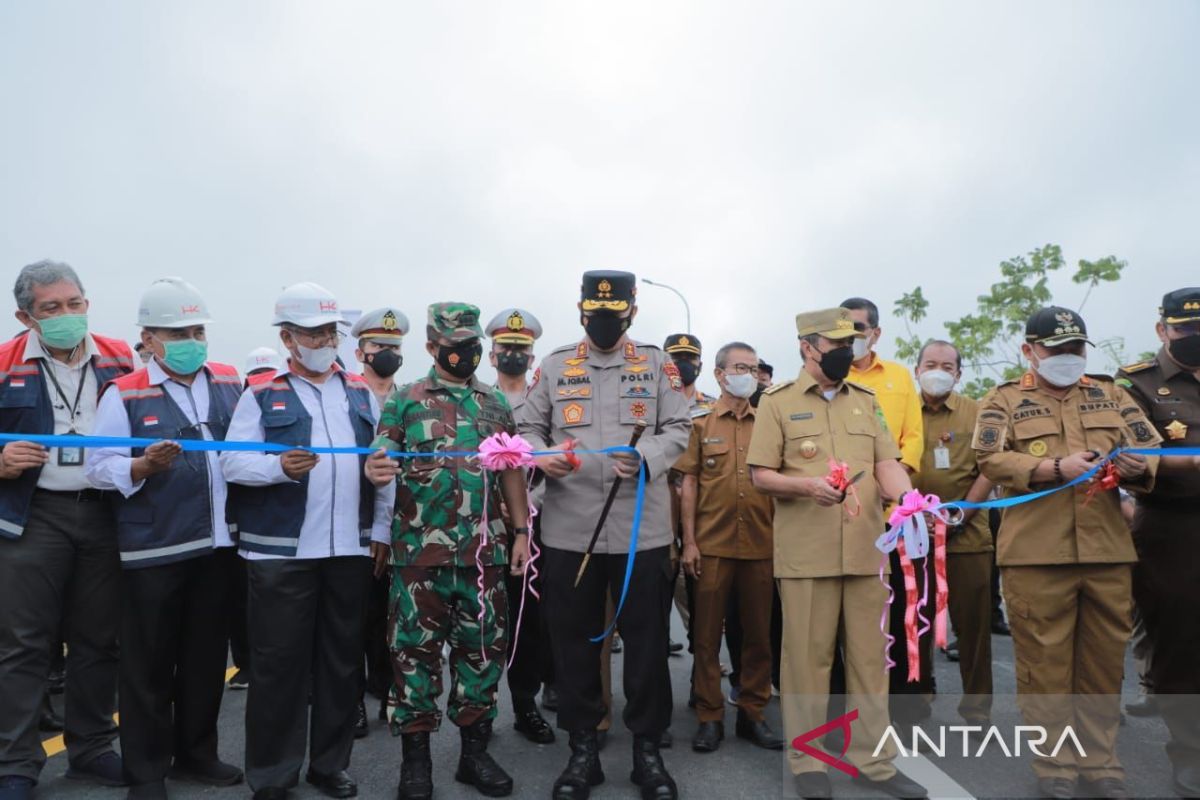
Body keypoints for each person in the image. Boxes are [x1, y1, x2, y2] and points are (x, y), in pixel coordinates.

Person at [973, 306, 1160, 800]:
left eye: (1076, 348)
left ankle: (1101, 764)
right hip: (1037, 555)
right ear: (1030, 350)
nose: (1067, 358)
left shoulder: (1111, 394)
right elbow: (989, 458)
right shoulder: (1003, 400)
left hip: (1106, 552)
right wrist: (1055, 467)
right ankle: (1055, 764)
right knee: (1045, 664)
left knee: (1101, 665)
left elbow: (1151, 450)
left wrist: (1140, 467)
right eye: (1056, 350)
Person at [519, 270, 691, 800]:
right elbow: (528, 430)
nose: (604, 323)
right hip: (571, 530)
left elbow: (680, 429)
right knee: (572, 645)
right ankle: (582, 752)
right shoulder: (553, 366)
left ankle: (647, 753)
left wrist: (645, 458)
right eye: (595, 314)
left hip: (643, 531)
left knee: (646, 645)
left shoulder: (659, 365)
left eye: (614, 316)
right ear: (580, 310)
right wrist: (546, 456)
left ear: (632, 313)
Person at [220, 282, 395, 800]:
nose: (321, 341)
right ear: (287, 338)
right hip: (281, 552)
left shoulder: (360, 394)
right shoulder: (261, 395)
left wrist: (381, 530)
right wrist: (277, 467)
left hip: (348, 550)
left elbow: (381, 466)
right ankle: (273, 774)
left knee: (342, 663)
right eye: (310, 333)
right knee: (279, 667)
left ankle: (329, 765)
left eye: (327, 332)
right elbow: (231, 461)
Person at [747, 306, 927, 800]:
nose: (848, 354)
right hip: (808, 556)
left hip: (868, 554)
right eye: (836, 347)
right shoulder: (777, 403)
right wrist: (807, 488)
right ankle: (808, 760)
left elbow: (887, 461)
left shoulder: (865, 402)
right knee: (808, 662)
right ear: (807, 348)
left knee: (872, 661)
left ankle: (874, 760)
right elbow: (760, 474)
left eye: (852, 344)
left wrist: (908, 499)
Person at [86, 277, 245, 798]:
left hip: (218, 544)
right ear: (148, 339)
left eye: (196, 330)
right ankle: (147, 771)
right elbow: (97, 467)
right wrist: (139, 467)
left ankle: (197, 754)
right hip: (154, 548)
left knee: (205, 659)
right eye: (177, 332)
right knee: (148, 665)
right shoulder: (125, 392)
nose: (190, 341)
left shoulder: (228, 381)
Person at [365, 303, 530, 800]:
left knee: (481, 658)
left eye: (472, 343)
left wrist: (521, 532)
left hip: (484, 556)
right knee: (413, 659)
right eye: (455, 345)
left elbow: (511, 470)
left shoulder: (495, 404)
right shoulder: (406, 401)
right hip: (418, 558)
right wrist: (374, 470)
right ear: (434, 347)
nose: (466, 353)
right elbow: (378, 458)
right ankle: (415, 764)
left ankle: (474, 756)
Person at [0, 260, 133, 799]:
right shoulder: (5, 362)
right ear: (25, 316)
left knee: (98, 640)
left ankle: (93, 748)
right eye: (51, 308)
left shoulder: (121, 357)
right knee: (23, 644)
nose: (66, 316)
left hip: (103, 511)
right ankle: (16, 763)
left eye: (74, 304)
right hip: (32, 516)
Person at [675, 341, 783, 754]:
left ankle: (752, 714)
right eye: (741, 367)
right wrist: (689, 542)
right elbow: (689, 482)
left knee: (758, 636)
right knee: (705, 638)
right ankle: (709, 716)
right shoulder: (699, 423)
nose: (750, 375)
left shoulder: (769, 422)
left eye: (755, 369)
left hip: (761, 544)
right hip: (713, 546)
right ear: (719, 375)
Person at [1115, 288, 1200, 797]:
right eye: (1187, 329)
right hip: (1173, 528)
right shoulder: (1137, 383)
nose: (1197, 339)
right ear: (1162, 330)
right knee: (1180, 646)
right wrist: (1189, 463)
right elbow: (1134, 455)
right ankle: (1190, 753)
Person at [840, 296, 928, 718]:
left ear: (876, 332)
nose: (852, 336)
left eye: (859, 328)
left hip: (896, 513)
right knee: (846, 618)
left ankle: (906, 710)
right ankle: (842, 711)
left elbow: (913, 437)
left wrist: (895, 483)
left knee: (901, 613)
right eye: (844, 328)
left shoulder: (897, 378)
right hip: (845, 512)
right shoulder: (824, 378)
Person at [911, 340, 994, 726]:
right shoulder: (900, 412)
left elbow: (991, 467)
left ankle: (977, 709)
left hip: (968, 536)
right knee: (916, 621)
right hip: (911, 535)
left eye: (947, 365)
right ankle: (919, 695)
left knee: (973, 627)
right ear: (916, 370)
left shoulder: (978, 413)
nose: (938, 370)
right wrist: (914, 514)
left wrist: (961, 512)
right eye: (930, 363)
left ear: (959, 374)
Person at [486, 307, 556, 745]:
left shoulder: (542, 402)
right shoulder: (479, 400)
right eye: (506, 348)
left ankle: (525, 703)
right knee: (484, 622)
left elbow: (553, 461)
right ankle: (480, 708)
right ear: (491, 355)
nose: (513, 355)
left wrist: (527, 516)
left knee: (530, 621)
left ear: (532, 358)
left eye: (521, 350)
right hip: (484, 529)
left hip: (537, 523)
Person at [349, 307, 411, 736]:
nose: (387, 354)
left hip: (402, 529)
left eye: (394, 348)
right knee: (352, 620)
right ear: (361, 353)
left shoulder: (408, 401)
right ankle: (351, 702)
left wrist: (388, 531)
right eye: (378, 347)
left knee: (396, 619)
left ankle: (391, 695)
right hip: (352, 529)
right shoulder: (346, 397)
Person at [224, 347, 285, 696]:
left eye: (268, 372)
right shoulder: (246, 405)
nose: (263, 379)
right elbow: (233, 463)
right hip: (245, 520)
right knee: (244, 600)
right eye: (256, 373)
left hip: (281, 521)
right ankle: (247, 664)